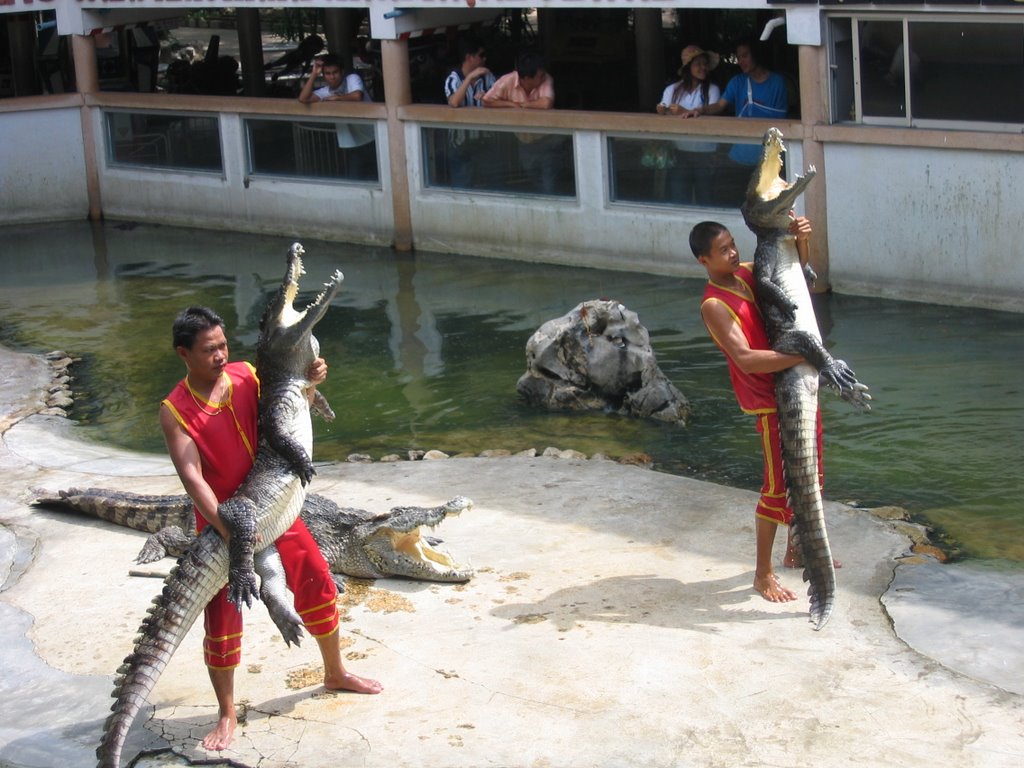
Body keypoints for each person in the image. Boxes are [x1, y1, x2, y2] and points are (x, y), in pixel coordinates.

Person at [159, 306, 382, 753]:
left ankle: (334, 670)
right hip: (223, 518)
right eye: (209, 350)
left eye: (223, 345)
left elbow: (288, 404)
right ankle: (226, 711)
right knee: (222, 615)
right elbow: (193, 479)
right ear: (184, 353)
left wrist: (314, 376)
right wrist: (228, 532)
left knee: (317, 580)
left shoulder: (246, 374)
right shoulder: (175, 410)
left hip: (276, 505)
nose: (221, 355)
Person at [689, 217, 825, 603]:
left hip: (794, 384)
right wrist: (803, 353)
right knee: (777, 485)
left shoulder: (747, 274)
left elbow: (800, 278)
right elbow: (746, 359)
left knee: (811, 468)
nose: (733, 253)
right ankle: (762, 574)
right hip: (766, 399)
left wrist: (801, 241)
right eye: (723, 250)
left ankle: (795, 549)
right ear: (704, 260)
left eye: (733, 244)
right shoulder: (714, 304)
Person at [685, 39, 788, 167]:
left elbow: (782, 123)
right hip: (739, 157)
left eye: (745, 56)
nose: (741, 62)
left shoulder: (778, 83)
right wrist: (700, 110)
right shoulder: (737, 82)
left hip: (769, 160)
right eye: (738, 57)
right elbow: (719, 106)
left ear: (756, 55)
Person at [482, 51, 560, 194]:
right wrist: (511, 105)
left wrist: (521, 104)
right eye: (539, 76)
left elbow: (546, 103)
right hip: (524, 142)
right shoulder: (507, 81)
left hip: (548, 141)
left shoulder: (546, 78)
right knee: (532, 177)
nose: (543, 78)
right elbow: (487, 100)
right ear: (525, 78)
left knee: (549, 184)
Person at [655, 44, 722, 204]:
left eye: (705, 64)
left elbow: (713, 113)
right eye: (698, 64)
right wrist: (662, 110)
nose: (703, 67)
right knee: (679, 198)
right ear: (688, 68)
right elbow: (663, 111)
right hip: (678, 151)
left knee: (705, 199)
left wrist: (683, 111)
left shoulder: (713, 90)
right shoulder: (672, 89)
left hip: (706, 152)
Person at [443, 35, 495, 187]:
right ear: (469, 57)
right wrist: (469, 78)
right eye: (481, 55)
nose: (484, 59)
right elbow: (454, 102)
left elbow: (499, 97)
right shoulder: (453, 79)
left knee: (489, 188)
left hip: (485, 142)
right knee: (462, 189)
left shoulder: (487, 76)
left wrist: (488, 98)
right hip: (461, 145)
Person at [297, 53, 371, 104]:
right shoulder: (325, 91)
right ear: (323, 75)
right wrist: (314, 74)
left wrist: (338, 98)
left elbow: (357, 96)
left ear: (342, 72)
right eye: (328, 74)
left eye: (335, 72)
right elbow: (303, 99)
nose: (332, 77)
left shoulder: (352, 78)